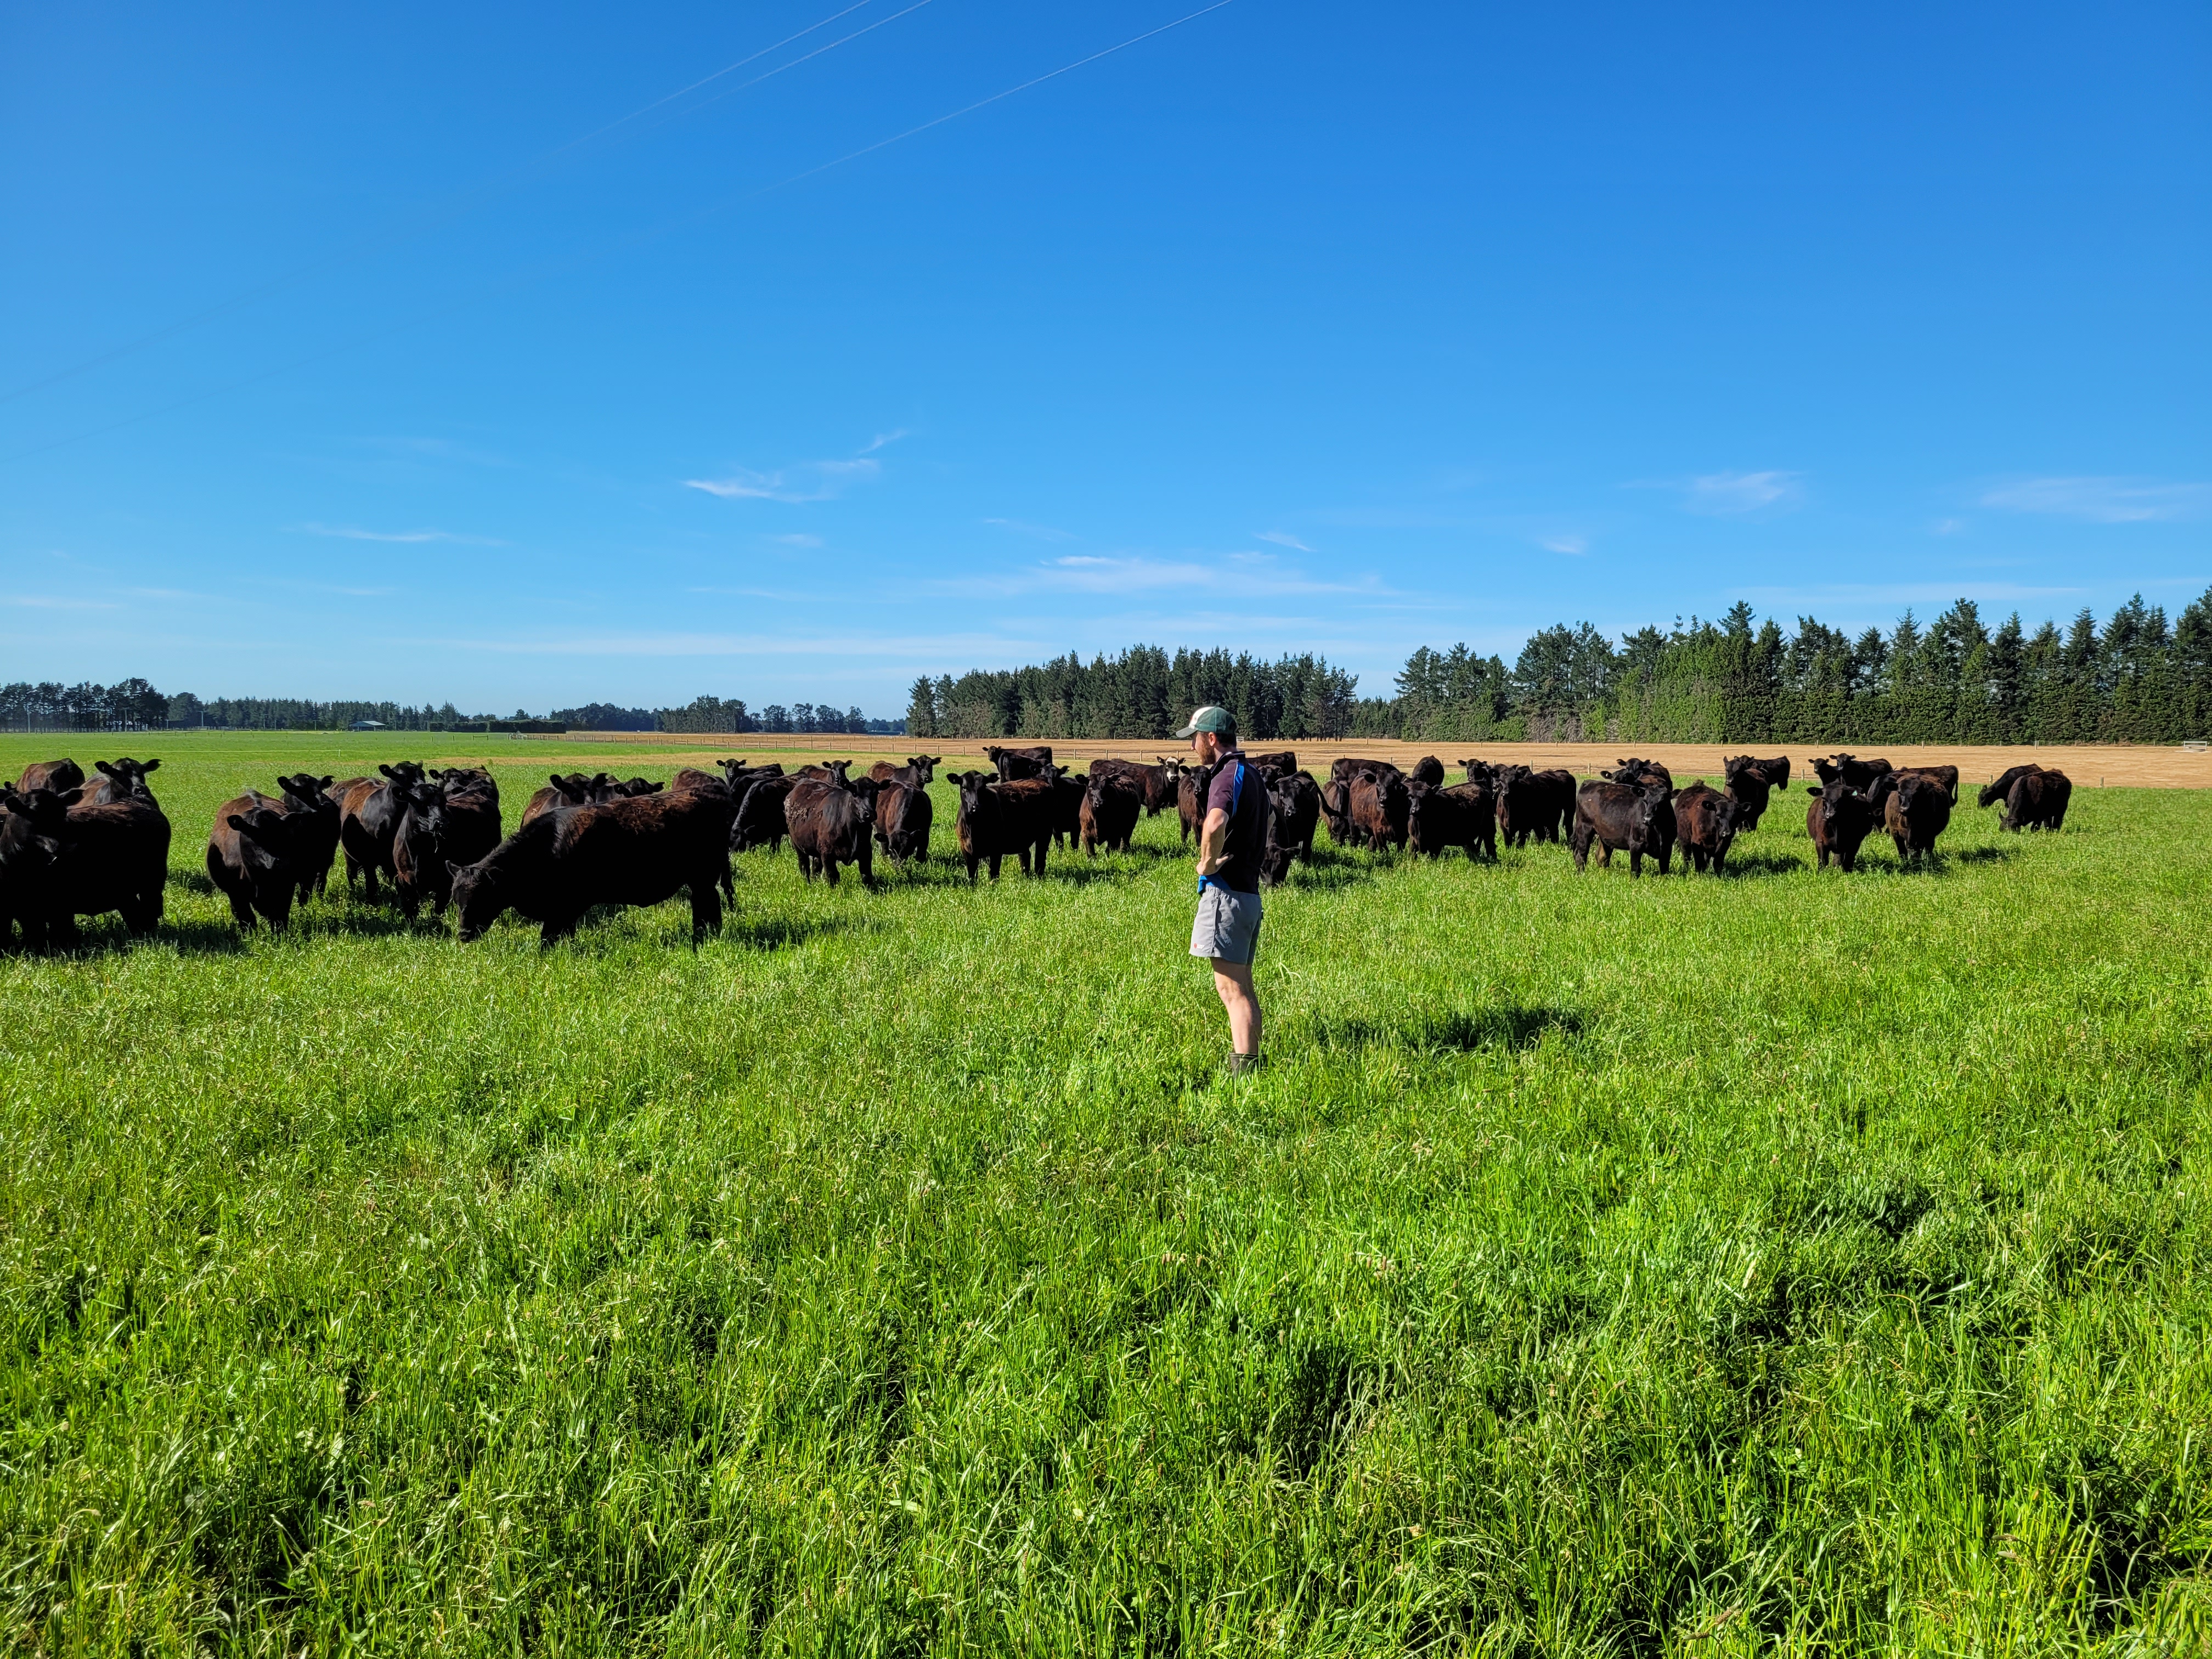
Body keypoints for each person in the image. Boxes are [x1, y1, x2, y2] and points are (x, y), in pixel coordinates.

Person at [1173, 705, 1267, 1073]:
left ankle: (1243, 1077)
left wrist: (1207, 864)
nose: (1193, 745)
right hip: (1248, 894)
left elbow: (1214, 823)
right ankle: (1254, 1065)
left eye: (1195, 738)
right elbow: (1270, 817)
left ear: (1211, 738)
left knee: (1231, 990)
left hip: (1226, 893)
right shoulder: (1253, 774)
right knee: (1242, 986)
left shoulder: (1226, 776)